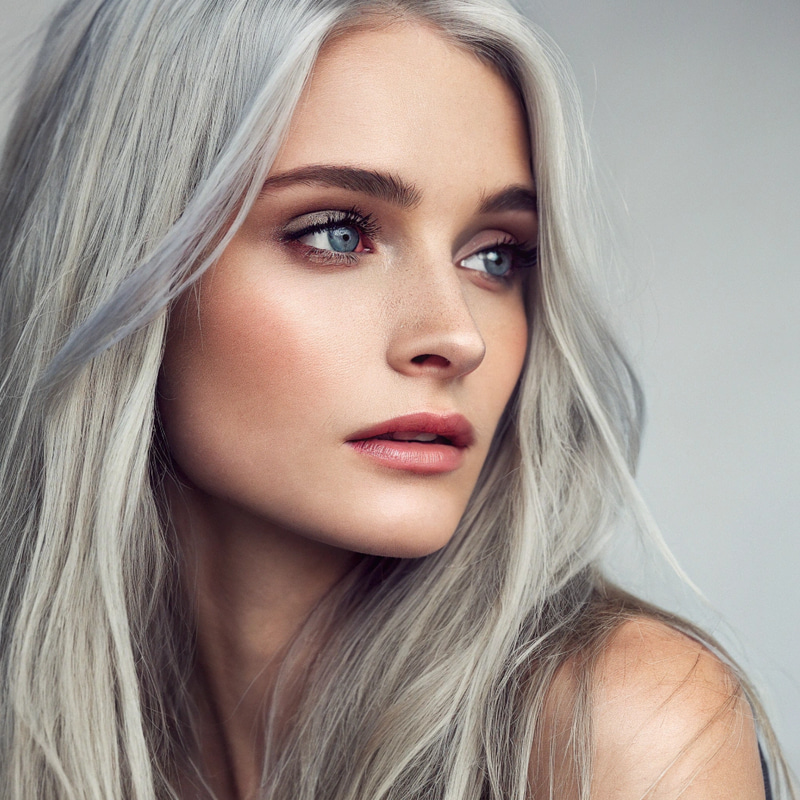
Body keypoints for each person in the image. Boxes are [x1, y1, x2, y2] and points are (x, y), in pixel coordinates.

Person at [0, 0, 793, 798]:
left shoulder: (617, 728)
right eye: (339, 233)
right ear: (121, 266)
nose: (457, 336)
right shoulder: (37, 732)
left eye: (494, 256)